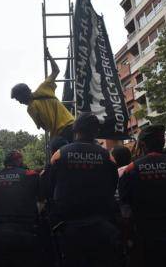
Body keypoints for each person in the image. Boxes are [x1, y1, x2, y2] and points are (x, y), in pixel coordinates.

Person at [50, 112, 121, 267]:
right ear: (96, 131)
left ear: (76, 130)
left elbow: (48, 186)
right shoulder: (107, 156)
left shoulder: (60, 154)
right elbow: (113, 185)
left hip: (69, 228)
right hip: (102, 226)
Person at [119, 124, 166, 267]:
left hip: (146, 238)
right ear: (162, 142)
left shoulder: (132, 169)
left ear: (142, 144)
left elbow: (125, 208)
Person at [0, 150, 40, 267]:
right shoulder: (30, 175)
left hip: (0, 232)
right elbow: (41, 197)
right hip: (26, 231)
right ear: (19, 160)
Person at [11, 48, 74, 142]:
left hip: (60, 135)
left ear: (23, 94)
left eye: (18, 99)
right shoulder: (44, 88)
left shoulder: (31, 109)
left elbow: (44, 127)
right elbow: (56, 70)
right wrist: (48, 55)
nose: (20, 102)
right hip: (72, 124)